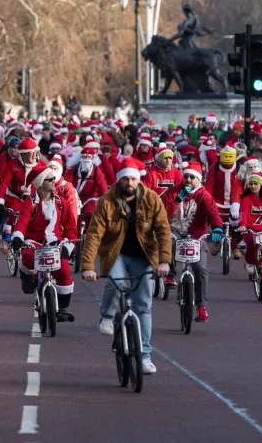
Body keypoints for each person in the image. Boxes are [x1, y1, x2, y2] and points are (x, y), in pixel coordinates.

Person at [80, 156, 170, 375]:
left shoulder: (151, 199)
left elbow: (163, 230)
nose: (129, 183)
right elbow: (94, 234)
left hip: (144, 255)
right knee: (116, 283)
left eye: (133, 179)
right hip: (115, 252)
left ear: (138, 179)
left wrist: (165, 261)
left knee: (144, 306)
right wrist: (88, 266)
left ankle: (145, 356)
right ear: (118, 181)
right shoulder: (107, 201)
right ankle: (108, 316)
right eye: (125, 179)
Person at [12, 161, 78, 322]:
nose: (54, 181)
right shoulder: (30, 203)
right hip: (34, 241)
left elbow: (71, 227)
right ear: (40, 183)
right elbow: (22, 221)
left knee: (63, 271)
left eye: (53, 179)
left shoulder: (62, 203)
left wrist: (69, 244)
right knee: (27, 257)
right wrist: (18, 236)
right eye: (50, 180)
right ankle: (28, 277)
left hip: (56, 242)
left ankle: (62, 308)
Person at [169, 161, 224, 322]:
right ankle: (170, 276)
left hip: (196, 237)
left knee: (200, 269)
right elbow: (164, 210)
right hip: (176, 231)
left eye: (192, 177)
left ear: (198, 179)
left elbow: (213, 213)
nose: (188, 180)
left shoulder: (203, 195)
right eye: (185, 176)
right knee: (168, 243)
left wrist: (217, 228)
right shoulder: (174, 192)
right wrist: (178, 199)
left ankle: (201, 307)